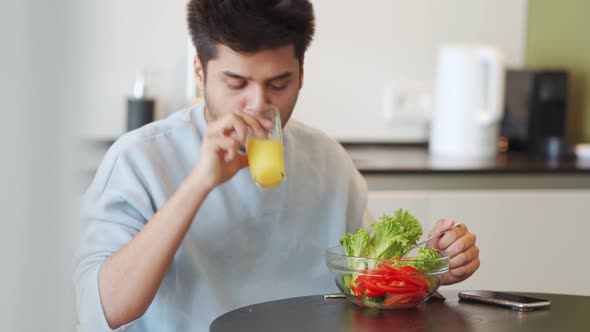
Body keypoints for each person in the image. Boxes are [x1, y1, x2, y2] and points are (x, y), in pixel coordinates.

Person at [74, 1, 480, 331]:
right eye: (236, 84)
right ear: (200, 71)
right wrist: (199, 182)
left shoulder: (326, 160)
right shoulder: (140, 159)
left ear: (302, 74)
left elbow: (370, 281)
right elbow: (106, 309)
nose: (258, 105)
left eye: (278, 84)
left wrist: (430, 265)